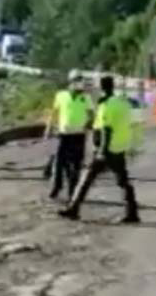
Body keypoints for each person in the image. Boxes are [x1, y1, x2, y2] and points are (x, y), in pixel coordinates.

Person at [58, 75, 141, 223]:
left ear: (101, 88)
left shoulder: (106, 105)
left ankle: (73, 209)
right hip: (119, 146)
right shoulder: (122, 103)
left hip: (106, 149)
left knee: (86, 179)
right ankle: (132, 212)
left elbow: (106, 129)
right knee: (123, 181)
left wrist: (102, 151)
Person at [45, 73, 93, 200]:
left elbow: (91, 114)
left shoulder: (85, 98)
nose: (79, 85)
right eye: (76, 81)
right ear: (70, 83)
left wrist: (88, 125)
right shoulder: (61, 95)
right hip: (64, 134)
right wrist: (49, 128)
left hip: (79, 135)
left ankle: (73, 192)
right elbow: (54, 113)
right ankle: (57, 186)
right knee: (59, 162)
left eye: (80, 82)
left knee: (76, 165)